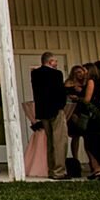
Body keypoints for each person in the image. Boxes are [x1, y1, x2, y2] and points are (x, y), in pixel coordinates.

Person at [30, 51, 68, 179]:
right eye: (55, 61)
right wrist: (61, 105)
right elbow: (60, 91)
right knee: (59, 141)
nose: (56, 63)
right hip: (55, 109)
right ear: (50, 62)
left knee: (50, 140)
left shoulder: (35, 74)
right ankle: (59, 171)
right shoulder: (56, 74)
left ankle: (51, 169)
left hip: (43, 110)